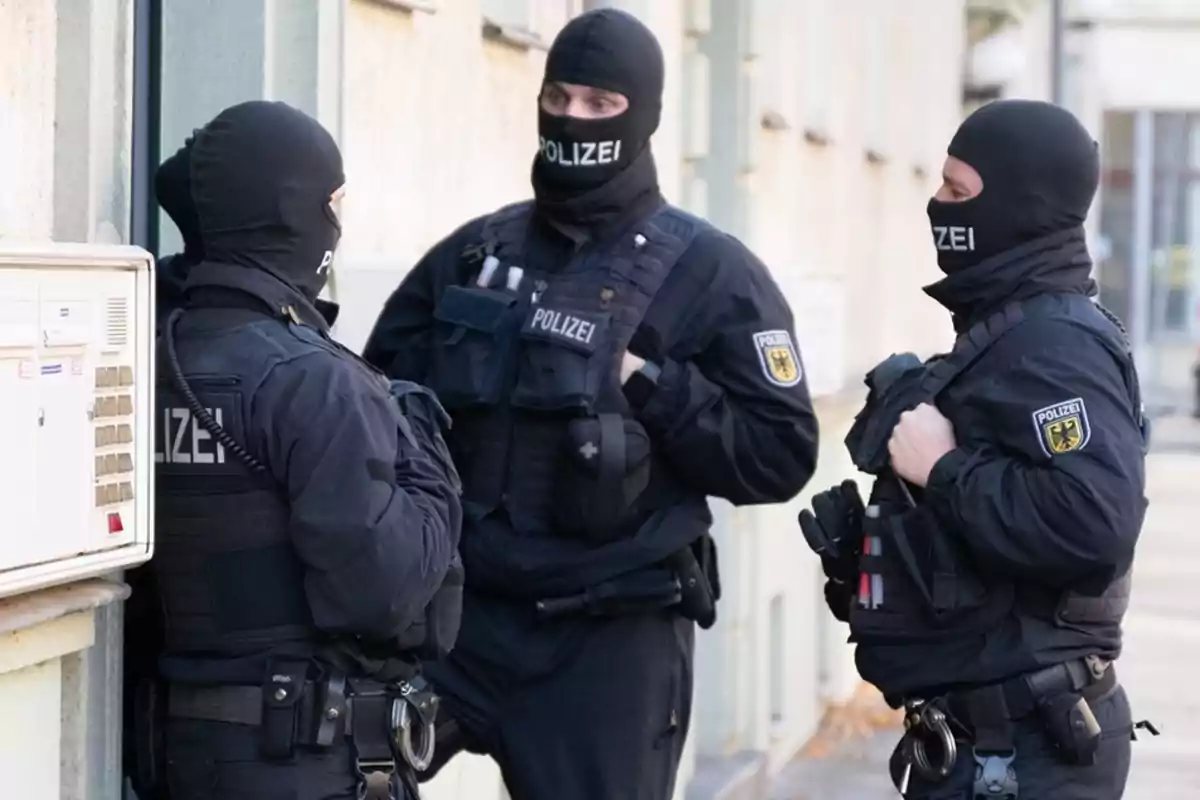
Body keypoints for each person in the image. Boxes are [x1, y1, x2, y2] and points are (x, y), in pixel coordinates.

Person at [362, 8, 819, 799]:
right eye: (559, 97)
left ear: (642, 116)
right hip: (455, 627)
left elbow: (781, 452)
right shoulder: (474, 255)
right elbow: (372, 406)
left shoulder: (712, 272)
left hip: (606, 645)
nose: (572, 120)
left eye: (599, 105)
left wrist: (655, 385)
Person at [800, 99, 1155, 799]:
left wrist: (943, 469)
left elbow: (1094, 519)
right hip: (987, 746)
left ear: (1019, 206)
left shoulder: (1056, 345)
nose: (937, 204)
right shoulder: (1008, 330)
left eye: (958, 191)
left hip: (1025, 753)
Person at [152, 100, 463, 800]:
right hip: (303, 761)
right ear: (296, 216)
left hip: (178, 755)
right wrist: (429, 459)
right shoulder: (316, 382)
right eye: (334, 203)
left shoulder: (153, 352)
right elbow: (383, 592)